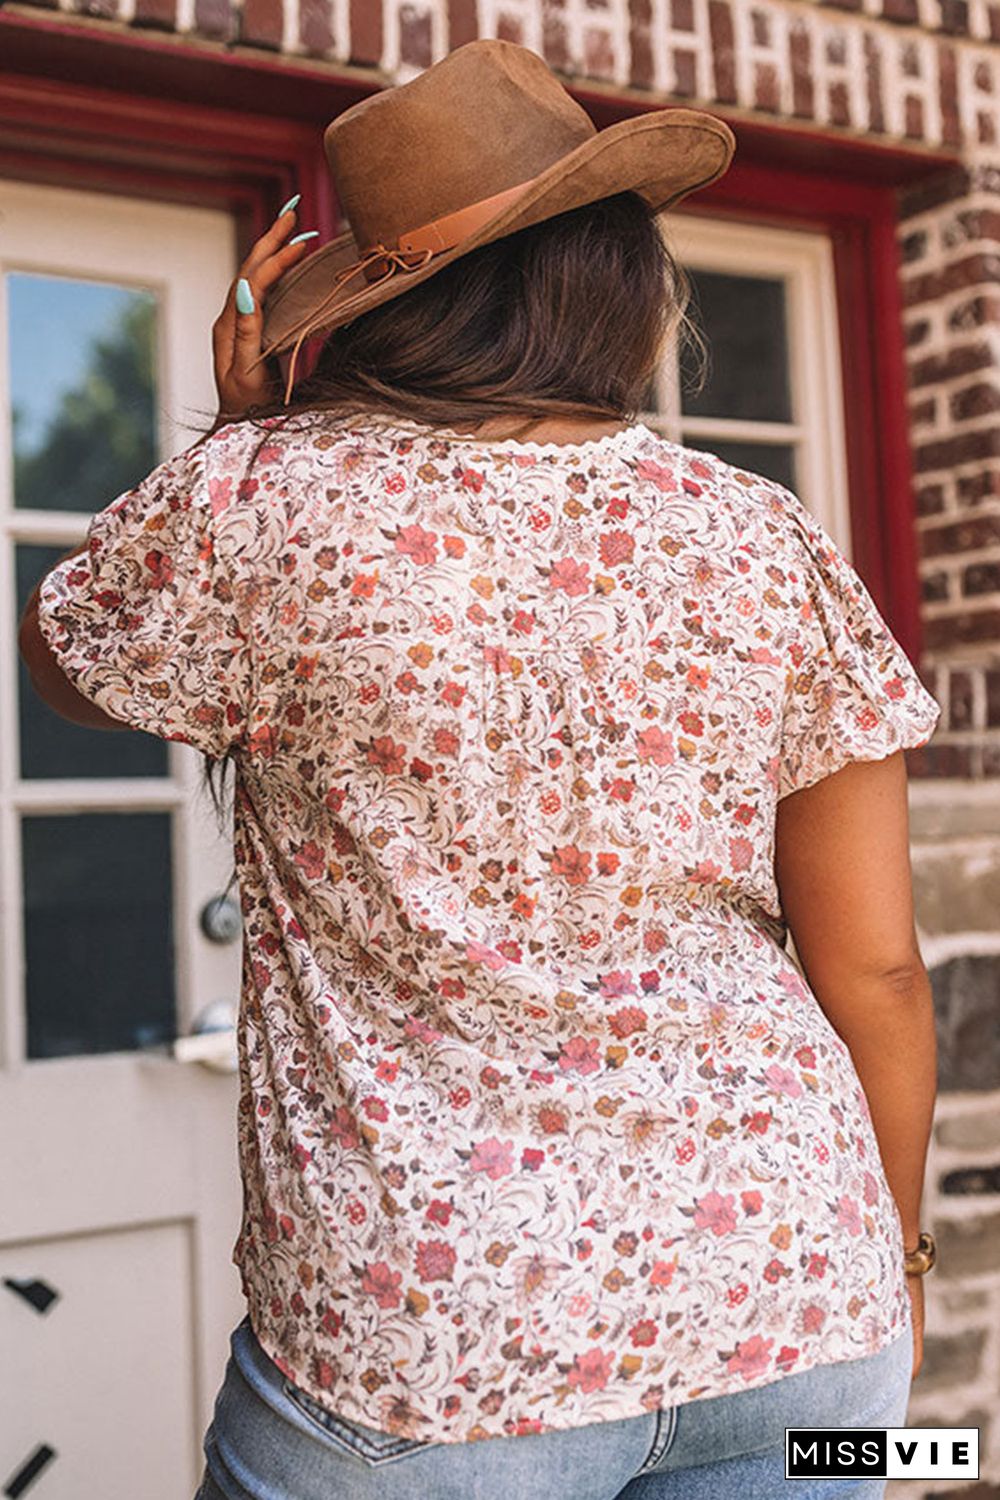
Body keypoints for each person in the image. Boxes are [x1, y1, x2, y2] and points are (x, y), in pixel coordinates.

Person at [19, 38, 941, 1500]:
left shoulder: (269, 506)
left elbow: (65, 660)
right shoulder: (762, 535)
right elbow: (878, 973)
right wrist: (885, 1258)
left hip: (434, 1363)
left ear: (390, 302)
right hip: (806, 1325)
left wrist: (242, 446)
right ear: (616, 280)